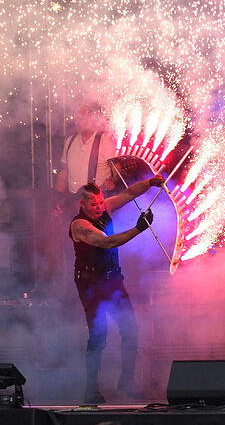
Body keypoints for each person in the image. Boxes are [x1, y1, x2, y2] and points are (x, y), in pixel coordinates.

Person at [69, 174, 164, 403]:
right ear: (82, 204)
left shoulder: (105, 208)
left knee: (131, 329)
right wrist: (138, 229)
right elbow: (106, 242)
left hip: (112, 279)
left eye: (101, 202)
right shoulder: (80, 225)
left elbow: (129, 193)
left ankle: (127, 382)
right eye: (93, 204)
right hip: (91, 284)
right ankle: (90, 390)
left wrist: (150, 182)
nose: (99, 207)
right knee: (99, 336)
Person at [55, 103, 118, 196]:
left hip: (97, 200)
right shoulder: (70, 141)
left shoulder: (104, 141)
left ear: (92, 118)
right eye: (77, 118)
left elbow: (117, 168)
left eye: (81, 117)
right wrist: (57, 197)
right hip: (73, 200)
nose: (77, 122)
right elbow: (64, 173)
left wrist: (112, 181)